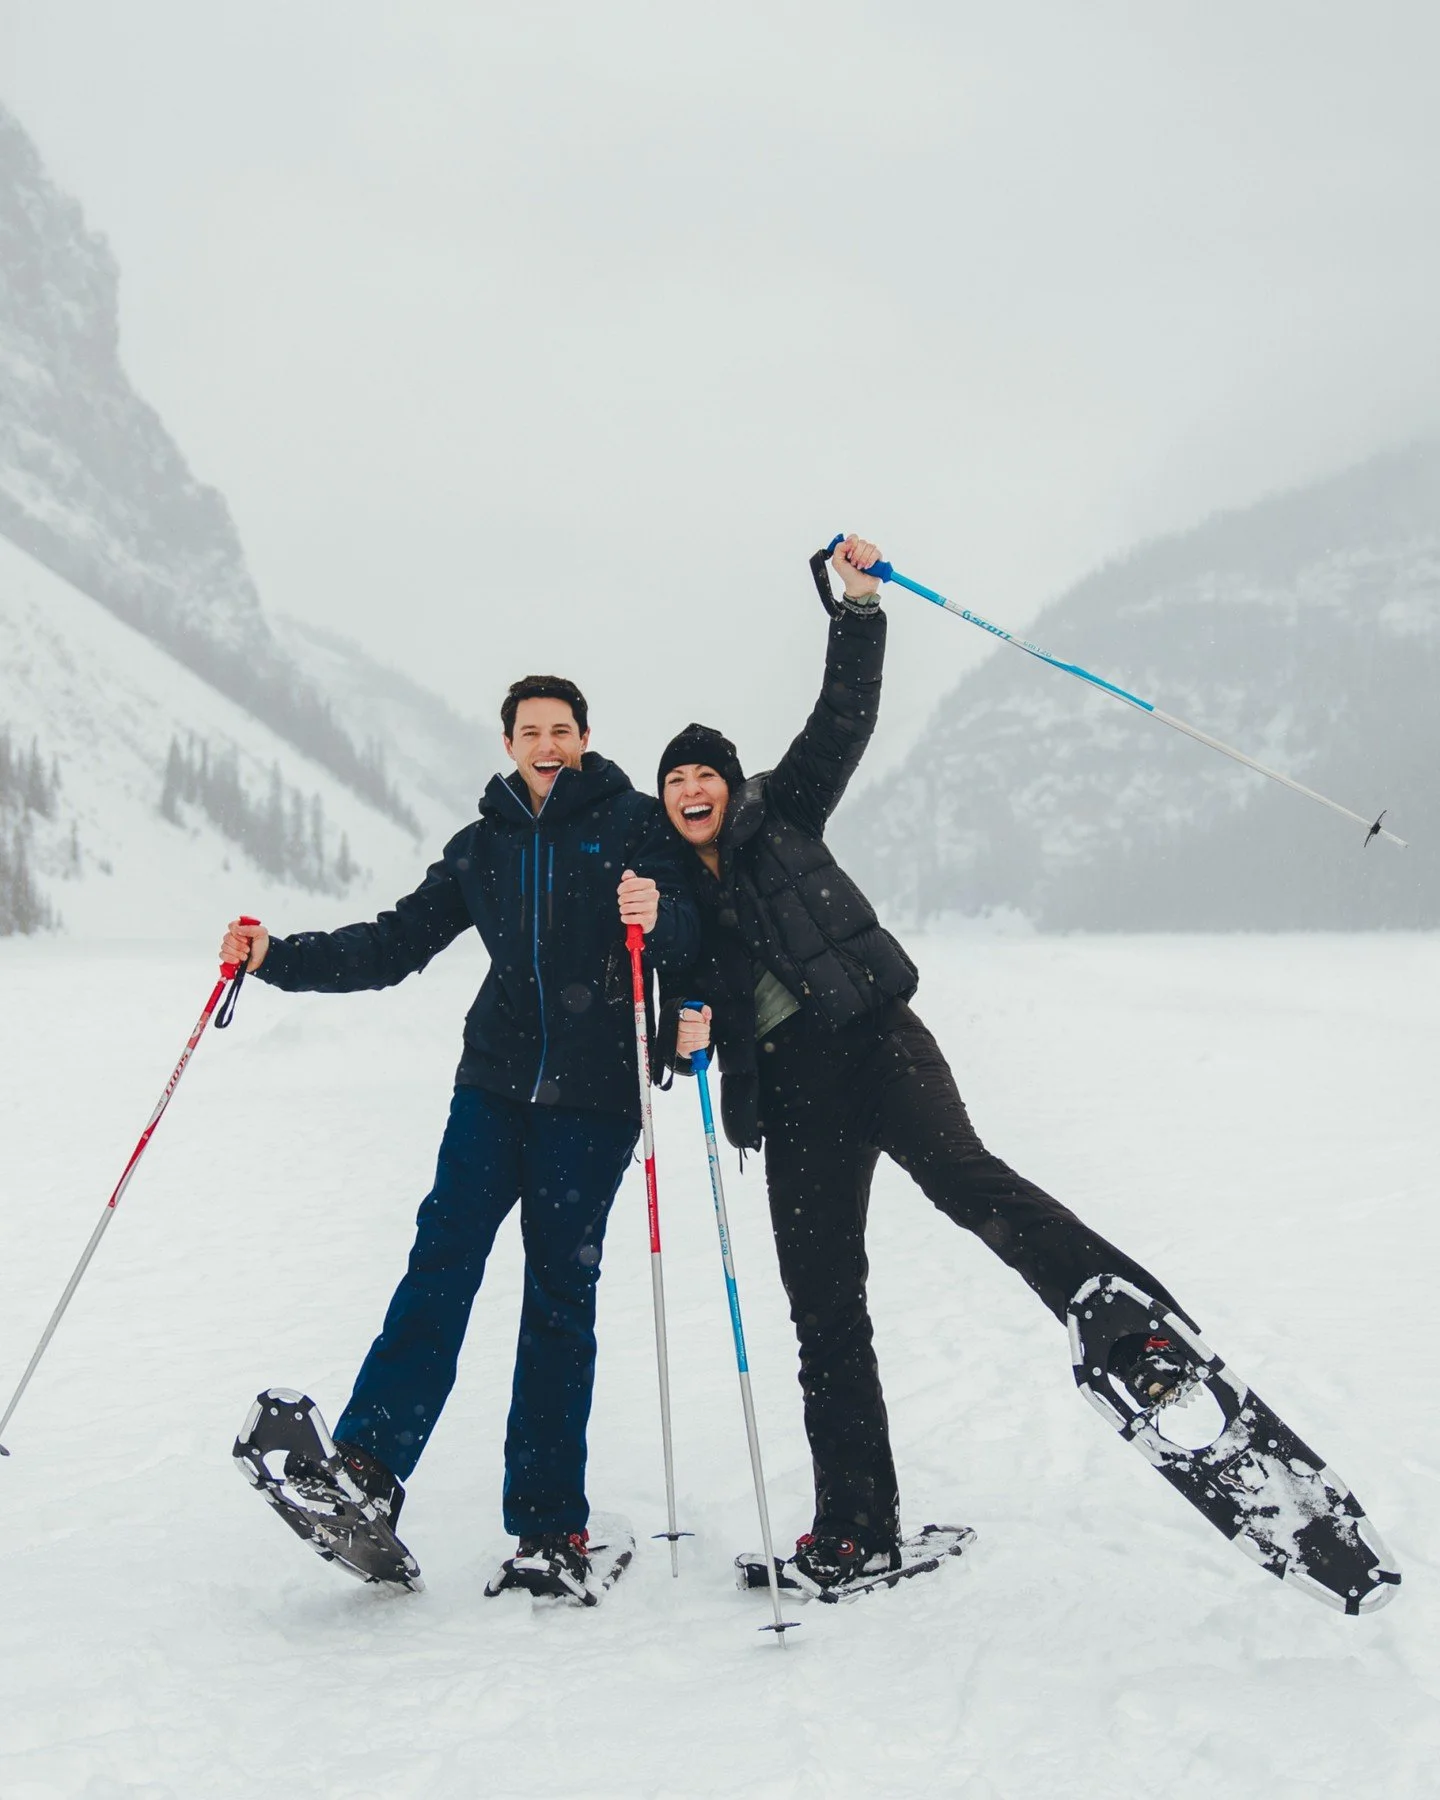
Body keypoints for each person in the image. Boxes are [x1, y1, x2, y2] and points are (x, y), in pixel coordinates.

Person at [654, 536, 1196, 1595]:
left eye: (704, 771)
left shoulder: (785, 812)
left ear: (731, 782)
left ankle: (1133, 1325)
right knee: (823, 1306)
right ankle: (855, 1527)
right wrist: (675, 1038)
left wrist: (857, 608)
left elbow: (841, 716)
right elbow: (672, 1010)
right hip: (791, 1096)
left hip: (875, 1043)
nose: (690, 788)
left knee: (965, 1181)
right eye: (674, 778)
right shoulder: (672, 900)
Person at [222, 673, 698, 1593]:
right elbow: (393, 944)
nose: (548, 743)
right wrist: (277, 957)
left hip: (595, 1099)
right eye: (531, 731)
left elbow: (688, 932)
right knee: (439, 1265)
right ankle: (365, 1471)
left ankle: (551, 1529)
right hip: (493, 1089)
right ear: (509, 743)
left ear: (587, 736)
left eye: (562, 729)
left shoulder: (635, 824)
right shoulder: (481, 846)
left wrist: (660, 918)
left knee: (558, 1300)